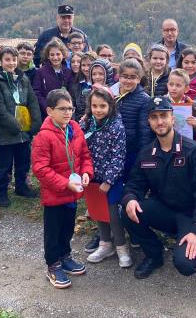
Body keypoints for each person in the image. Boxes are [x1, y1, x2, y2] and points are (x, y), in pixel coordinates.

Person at [121, 96, 196, 279]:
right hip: (163, 211)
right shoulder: (147, 153)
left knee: (186, 264)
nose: (160, 121)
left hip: (191, 216)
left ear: (172, 118)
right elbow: (134, 184)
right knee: (126, 210)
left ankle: (195, 242)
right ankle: (154, 254)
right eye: (154, 117)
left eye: (164, 116)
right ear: (149, 121)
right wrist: (131, 198)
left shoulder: (193, 151)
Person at [32, 89, 94, 289]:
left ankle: (65, 256)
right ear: (50, 111)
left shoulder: (75, 128)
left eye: (70, 108)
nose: (68, 113)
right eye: (62, 109)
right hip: (55, 194)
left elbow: (84, 155)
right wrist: (63, 183)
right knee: (53, 230)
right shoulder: (44, 136)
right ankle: (53, 264)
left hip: (72, 193)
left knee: (67, 227)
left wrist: (86, 172)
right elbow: (40, 168)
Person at [80, 86, 131, 268]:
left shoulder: (116, 126)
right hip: (92, 177)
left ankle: (121, 246)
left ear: (110, 106)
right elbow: (77, 140)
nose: (98, 110)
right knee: (97, 210)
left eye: (102, 106)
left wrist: (109, 180)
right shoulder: (87, 123)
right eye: (94, 106)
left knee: (112, 213)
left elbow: (119, 156)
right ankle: (105, 244)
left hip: (111, 179)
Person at [0, 47, 42, 208]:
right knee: (4, 164)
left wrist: (35, 122)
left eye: (13, 59)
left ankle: (22, 187)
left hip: (24, 131)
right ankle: (2, 192)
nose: (11, 63)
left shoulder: (23, 78)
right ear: (1, 61)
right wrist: (15, 125)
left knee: (23, 161)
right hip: (5, 132)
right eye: (7, 60)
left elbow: (32, 100)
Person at [32, 37, 73, 117]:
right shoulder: (40, 72)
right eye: (52, 55)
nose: (55, 58)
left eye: (58, 54)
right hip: (46, 113)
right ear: (48, 56)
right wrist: (48, 108)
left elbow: (71, 93)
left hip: (65, 113)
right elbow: (37, 92)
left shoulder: (68, 72)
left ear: (63, 55)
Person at [166, 68, 196, 136]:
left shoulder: (192, 105)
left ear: (186, 89)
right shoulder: (163, 102)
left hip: (186, 141)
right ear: (167, 85)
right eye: (171, 84)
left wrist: (195, 124)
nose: (174, 88)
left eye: (178, 85)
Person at [72, 52, 96, 121]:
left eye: (89, 65)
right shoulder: (77, 84)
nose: (86, 68)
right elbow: (74, 106)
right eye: (83, 65)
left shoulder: (99, 85)